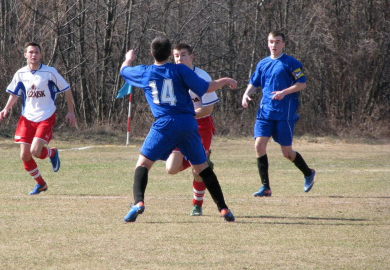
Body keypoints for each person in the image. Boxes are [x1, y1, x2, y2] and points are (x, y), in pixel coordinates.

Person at [120, 37, 238, 223]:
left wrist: (128, 58)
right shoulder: (181, 69)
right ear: (170, 54)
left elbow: (123, 70)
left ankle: (138, 202)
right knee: (202, 168)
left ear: (152, 53)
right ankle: (223, 209)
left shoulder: (145, 72)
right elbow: (206, 88)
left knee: (143, 165)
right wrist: (225, 80)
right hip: (188, 123)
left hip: (165, 124)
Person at [165, 43, 237, 217]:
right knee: (171, 168)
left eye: (183, 55)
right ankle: (203, 160)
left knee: (198, 170)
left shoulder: (201, 76)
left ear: (191, 57)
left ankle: (197, 204)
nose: (179, 58)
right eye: (176, 55)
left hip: (201, 126)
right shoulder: (171, 76)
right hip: (181, 125)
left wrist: (187, 115)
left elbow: (207, 109)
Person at [242, 30, 315, 197]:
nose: (273, 45)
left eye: (277, 42)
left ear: (283, 44)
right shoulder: (263, 63)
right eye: (271, 42)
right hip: (265, 112)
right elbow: (254, 82)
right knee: (259, 146)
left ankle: (308, 173)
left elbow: (301, 84)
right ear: (267, 43)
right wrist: (246, 94)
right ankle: (265, 187)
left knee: (287, 153)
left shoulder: (291, 63)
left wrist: (284, 92)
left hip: (284, 114)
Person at [0, 42, 76, 195]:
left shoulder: (49, 72)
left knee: (35, 151)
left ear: (41, 55)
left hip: (46, 116)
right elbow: (15, 93)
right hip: (27, 118)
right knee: (24, 155)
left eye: (36, 52)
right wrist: (6, 108)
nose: (34, 55)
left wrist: (71, 112)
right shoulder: (20, 73)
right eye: (31, 52)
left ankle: (51, 154)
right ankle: (41, 184)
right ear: (25, 55)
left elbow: (67, 89)